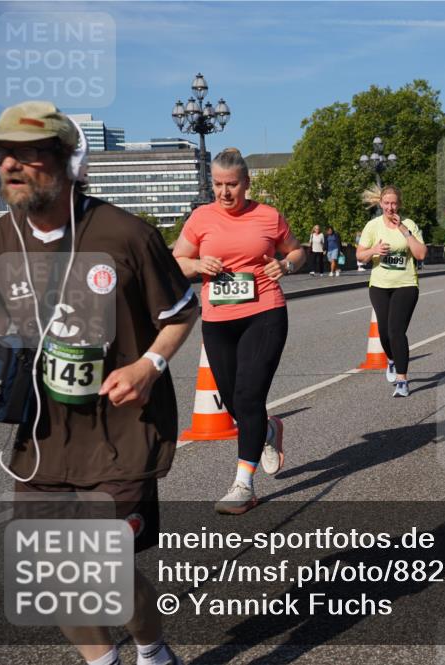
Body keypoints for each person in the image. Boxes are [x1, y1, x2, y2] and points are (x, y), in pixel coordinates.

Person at [0, 101, 197, 665]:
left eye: (29, 153)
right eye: (2, 155)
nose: (11, 167)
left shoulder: (126, 234)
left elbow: (181, 314)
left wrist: (149, 366)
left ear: (71, 160)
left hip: (121, 435)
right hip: (40, 441)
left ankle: (152, 646)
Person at [173, 148, 305, 515]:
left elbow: (297, 252)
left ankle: (242, 485)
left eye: (232, 185)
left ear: (246, 184)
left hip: (264, 313)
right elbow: (176, 261)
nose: (224, 193)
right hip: (218, 321)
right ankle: (265, 431)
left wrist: (286, 265)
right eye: (217, 185)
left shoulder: (267, 216)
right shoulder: (200, 218)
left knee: (248, 397)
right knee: (234, 403)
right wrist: (198, 263)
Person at [355, 184, 427, 397]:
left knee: (396, 331)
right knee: (384, 333)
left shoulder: (409, 224)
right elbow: (360, 255)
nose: (390, 207)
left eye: (394, 203)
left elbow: (421, 254)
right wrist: (374, 250)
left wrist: (404, 231)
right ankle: (392, 360)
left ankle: (402, 380)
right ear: (380, 204)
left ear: (399, 204)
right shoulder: (373, 226)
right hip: (379, 285)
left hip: (405, 284)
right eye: (386, 203)